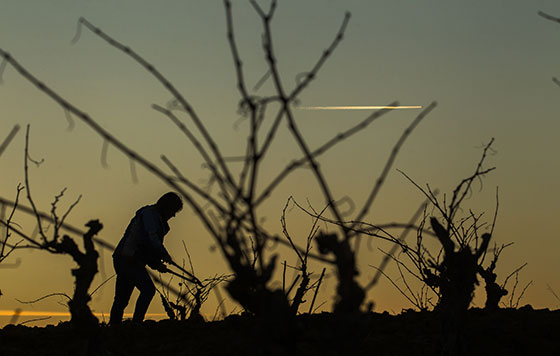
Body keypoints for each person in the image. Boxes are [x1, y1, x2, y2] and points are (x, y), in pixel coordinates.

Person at [109, 192, 183, 324]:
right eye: (173, 211)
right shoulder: (150, 216)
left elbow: (146, 248)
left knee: (121, 299)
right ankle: (136, 324)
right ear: (166, 207)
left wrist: (156, 262)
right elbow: (149, 240)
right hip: (128, 260)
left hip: (124, 259)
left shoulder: (154, 218)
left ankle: (114, 328)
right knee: (148, 290)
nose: (173, 215)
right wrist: (162, 256)